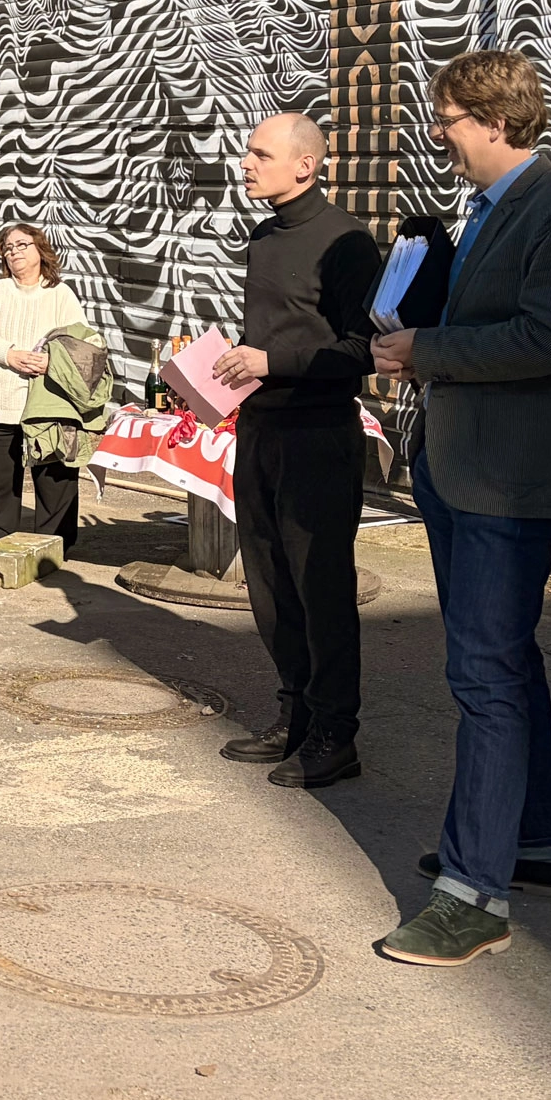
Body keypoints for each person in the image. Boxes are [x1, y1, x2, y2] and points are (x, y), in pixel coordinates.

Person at [372, 53, 551, 968]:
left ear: (491, 120)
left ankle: (473, 894)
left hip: (510, 479)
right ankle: (536, 841)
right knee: (507, 660)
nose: (438, 133)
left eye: (446, 117)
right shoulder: (478, 212)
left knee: (482, 676)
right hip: (462, 467)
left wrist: (429, 347)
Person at [208, 115, 383, 790]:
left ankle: (337, 734)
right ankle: (296, 715)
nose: (245, 163)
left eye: (260, 153)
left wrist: (270, 357)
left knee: (321, 589)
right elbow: (273, 333)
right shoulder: (262, 235)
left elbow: (362, 349)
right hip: (260, 431)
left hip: (318, 437)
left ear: (305, 166)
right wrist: (229, 369)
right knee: (271, 586)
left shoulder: (345, 242)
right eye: (249, 151)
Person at [0, 224, 88, 550]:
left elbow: (81, 342)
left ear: (40, 250)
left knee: (56, 483)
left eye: (22, 244)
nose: (14, 251)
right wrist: (10, 354)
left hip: (49, 407)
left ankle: (53, 549)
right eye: (7, 247)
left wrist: (52, 362)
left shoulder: (60, 295)